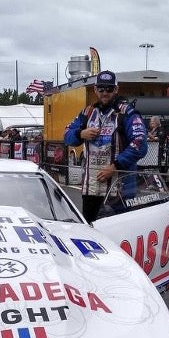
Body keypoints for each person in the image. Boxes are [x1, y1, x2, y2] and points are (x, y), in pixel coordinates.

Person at [64, 70, 147, 223]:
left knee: (119, 236)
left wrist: (115, 166)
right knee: (90, 233)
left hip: (120, 190)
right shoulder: (88, 113)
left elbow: (140, 143)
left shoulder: (127, 113)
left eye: (109, 89)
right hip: (92, 188)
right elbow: (67, 135)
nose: (105, 93)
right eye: (101, 89)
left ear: (116, 89)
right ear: (95, 89)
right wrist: (81, 134)